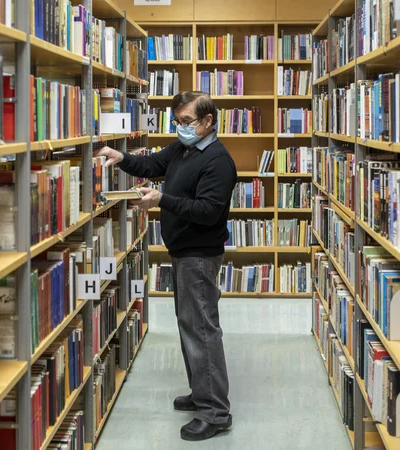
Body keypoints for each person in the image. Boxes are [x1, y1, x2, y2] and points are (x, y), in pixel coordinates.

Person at [94, 91, 237, 441]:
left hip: (199, 255)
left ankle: (215, 412)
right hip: (184, 252)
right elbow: (152, 166)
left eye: (187, 122)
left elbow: (208, 211)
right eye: (177, 122)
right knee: (190, 325)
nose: (181, 128)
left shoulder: (218, 161)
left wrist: (162, 200)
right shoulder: (183, 149)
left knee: (202, 330)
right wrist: (121, 157)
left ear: (208, 122)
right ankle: (202, 393)